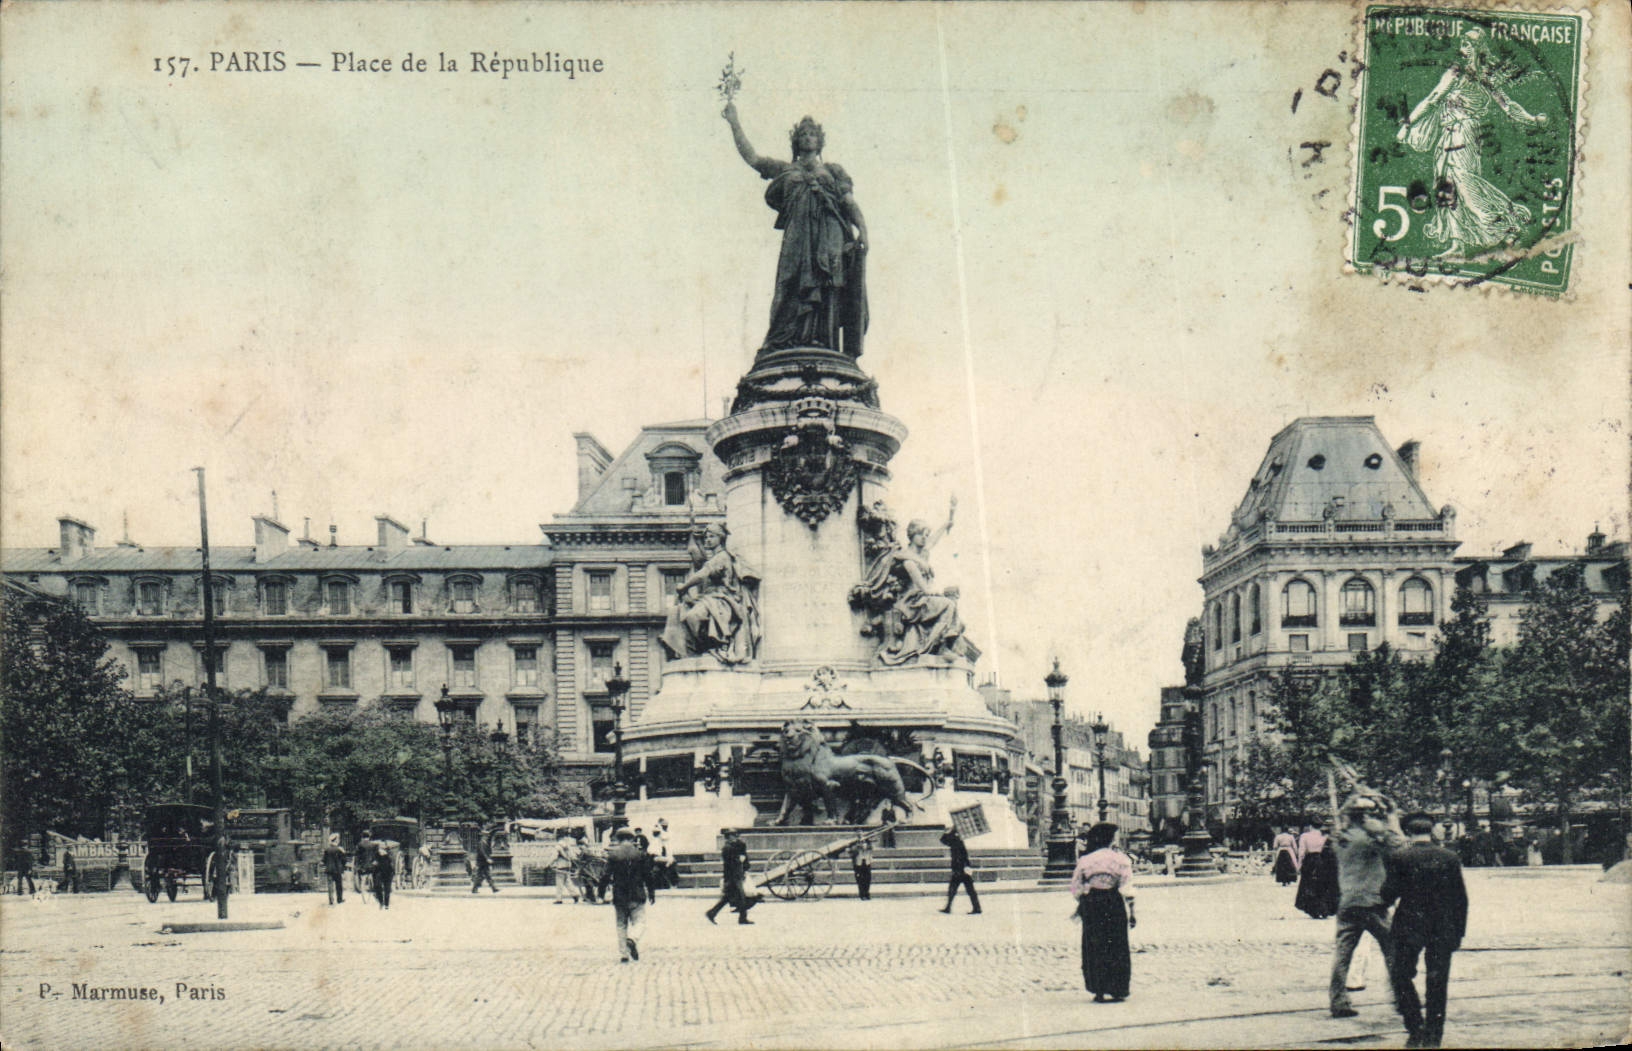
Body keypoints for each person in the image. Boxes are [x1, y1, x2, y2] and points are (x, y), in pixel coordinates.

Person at [721, 99, 869, 358]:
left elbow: (848, 203)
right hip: (797, 237)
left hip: (830, 235)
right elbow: (753, 158)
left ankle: (826, 343)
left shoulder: (834, 171)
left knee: (828, 287)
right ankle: (782, 340)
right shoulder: (785, 169)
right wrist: (734, 123)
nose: (808, 138)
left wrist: (863, 231)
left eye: (813, 134)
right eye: (803, 134)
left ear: (820, 141)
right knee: (788, 282)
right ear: (796, 141)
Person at [1395, 26, 1548, 261]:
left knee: (1465, 185)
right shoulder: (1476, 76)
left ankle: (1508, 223)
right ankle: (1458, 244)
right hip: (1451, 135)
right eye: (1463, 44)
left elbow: (1436, 99)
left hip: (1463, 135)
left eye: (1467, 44)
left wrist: (1532, 120)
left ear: (1477, 49)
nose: (1462, 48)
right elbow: (1435, 99)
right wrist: (1534, 120)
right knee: (1446, 187)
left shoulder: (1463, 74)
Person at [1382, 813, 1469, 1049]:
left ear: (1409, 833)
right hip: (1443, 927)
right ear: (1431, 831)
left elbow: (1389, 894)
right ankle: (1433, 1036)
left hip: (1409, 926)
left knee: (1400, 974)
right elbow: (1460, 898)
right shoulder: (1450, 857)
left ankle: (1414, 1023)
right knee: (1438, 980)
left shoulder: (1399, 857)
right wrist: (1459, 932)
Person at [1329, 793, 1405, 1018]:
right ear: (1366, 817)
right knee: (1393, 950)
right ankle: (1402, 998)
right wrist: (1390, 815)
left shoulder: (1340, 838)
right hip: (1373, 902)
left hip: (1348, 901)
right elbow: (1399, 845)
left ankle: (1338, 1001)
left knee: (1343, 954)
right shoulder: (1372, 839)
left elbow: (1342, 818)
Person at [659, 523, 761, 665]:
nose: (707, 540)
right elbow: (701, 563)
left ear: (721, 538)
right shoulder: (713, 558)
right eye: (706, 537)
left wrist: (684, 586)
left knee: (693, 616)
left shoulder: (722, 557)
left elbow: (702, 574)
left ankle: (715, 646)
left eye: (711, 537)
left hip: (723, 598)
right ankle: (695, 650)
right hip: (709, 598)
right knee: (676, 612)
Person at [1071, 822, 1136, 1003]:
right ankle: (1117, 988)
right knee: (1116, 945)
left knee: (1094, 945)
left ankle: (1098, 988)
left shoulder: (1085, 860)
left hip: (1092, 904)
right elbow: (1127, 887)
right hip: (1113, 902)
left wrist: (1085, 898)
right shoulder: (1121, 859)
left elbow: (1075, 887)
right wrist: (1132, 911)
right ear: (1110, 839)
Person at [598, 829, 649, 963]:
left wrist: (600, 893)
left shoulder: (613, 854)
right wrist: (652, 891)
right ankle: (632, 939)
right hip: (637, 893)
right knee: (640, 922)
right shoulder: (640, 854)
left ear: (618, 839)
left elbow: (605, 875)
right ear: (632, 839)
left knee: (621, 924)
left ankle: (624, 954)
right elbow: (647, 875)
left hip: (620, 894)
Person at [705, 828, 759, 925]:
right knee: (740, 897)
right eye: (732, 836)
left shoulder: (736, 846)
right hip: (732, 876)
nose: (734, 837)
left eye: (735, 835)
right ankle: (742, 918)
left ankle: (712, 913)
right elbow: (731, 863)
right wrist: (740, 861)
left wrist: (743, 865)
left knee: (727, 898)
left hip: (735, 875)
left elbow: (743, 858)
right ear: (728, 837)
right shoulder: (727, 848)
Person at [1296, 823, 1339, 919]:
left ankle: (1312, 908)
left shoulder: (1305, 836)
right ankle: (1323, 908)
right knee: (1322, 885)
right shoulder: (1324, 837)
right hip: (1322, 860)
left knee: (1308, 884)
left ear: (1310, 826)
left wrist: (1299, 864)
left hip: (1310, 860)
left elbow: (1302, 851)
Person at [938, 826, 981, 915]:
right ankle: (976, 908)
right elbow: (944, 840)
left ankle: (948, 908)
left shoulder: (956, 841)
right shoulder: (958, 840)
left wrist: (947, 832)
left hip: (960, 870)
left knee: (954, 889)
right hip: (962, 869)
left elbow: (943, 840)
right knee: (967, 890)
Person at [552, 830, 580, 905]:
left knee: (559, 883)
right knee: (567, 881)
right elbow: (572, 855)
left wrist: (549, 864)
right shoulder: (567, 845)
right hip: (568, 864)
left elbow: (554, 857)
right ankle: (575, 895)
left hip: (560, 865)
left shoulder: (558, 846)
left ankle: (559, 899)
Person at [322, 833, 347, 905]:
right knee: (339, 885)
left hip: (329, 870)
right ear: (336, 840)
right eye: (338, 839)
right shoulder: (339, 850)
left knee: (330, 885)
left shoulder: (327, 850)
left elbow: (324, 860)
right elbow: (344, 860)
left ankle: (331, 900)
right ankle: (339, 899)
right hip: (337, 870)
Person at [372, 842, 394, 909]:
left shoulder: (389, 854)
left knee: (387, 889)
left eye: (382, 848)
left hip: (388, 873)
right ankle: (381, 902)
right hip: (379, 872)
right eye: (380, 848)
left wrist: (386, 855)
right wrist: (374, 863)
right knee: (378, 886)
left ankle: (386, 904)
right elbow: (373, 861)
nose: (381, 850)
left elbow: (391, 863)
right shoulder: (376, 854)